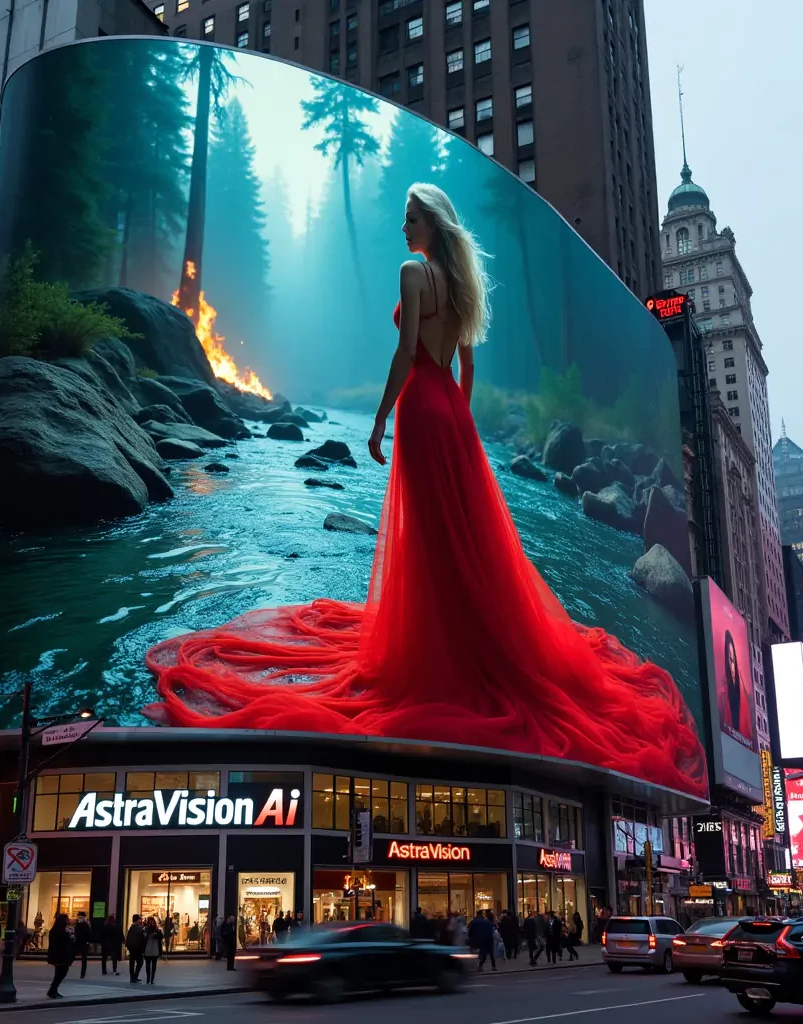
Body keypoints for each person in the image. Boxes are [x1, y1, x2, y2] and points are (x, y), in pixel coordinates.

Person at [141, 184, 707, 803]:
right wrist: (457, 420)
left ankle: (437, 652)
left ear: (433, 223)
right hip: (451, 415)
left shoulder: (413, 273)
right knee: (462, 534)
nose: (404, 227)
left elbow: (407, 353)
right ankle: (469, 644)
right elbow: (466, 368)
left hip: (419, 408)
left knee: (429, 535)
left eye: (411, 218)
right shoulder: (461, 286)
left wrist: (381, 417)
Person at [46, 913, 74, 999]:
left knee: (59, 973)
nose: (67, 922)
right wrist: (70, 936)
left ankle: (54, 990)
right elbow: (64, 942)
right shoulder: (60, 931)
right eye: (66, 920)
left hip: (58, 955)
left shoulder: (55, 930)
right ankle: (53, 990)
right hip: (61, 955)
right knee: (61, 973)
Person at [125, 914, 145, 983]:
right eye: (140, 919)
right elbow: (142, 937)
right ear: (138, 920)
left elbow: (128, 938)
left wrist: (127, 946)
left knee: (132, 962)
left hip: (131, 947)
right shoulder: (139, 927)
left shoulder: (131, 927)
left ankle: (132, 977)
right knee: (140, 962)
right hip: (137, 948)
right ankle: (134, 977)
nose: (141, 920)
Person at [143, 917, 162, 984]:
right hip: (148, 949)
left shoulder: (157, 930)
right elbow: (143, 939)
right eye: (150, 922)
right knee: (148, 965)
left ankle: (151, 979)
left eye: (152, 922)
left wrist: (157, 934)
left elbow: (161, 937)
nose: (151, 924)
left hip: (154, 949)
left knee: (153, 965)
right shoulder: (146, 930)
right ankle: (148, 979)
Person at [74, 911, 91, 979]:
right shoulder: (77, 924)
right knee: (73, 956)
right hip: (78, 943)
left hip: (84, 943)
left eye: (81, 917)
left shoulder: (85, 925)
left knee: (84, 959)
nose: (79, 918)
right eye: (79, 917)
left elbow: (88, 934)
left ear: (84, 918)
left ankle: (82, 974)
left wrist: (87, 941)